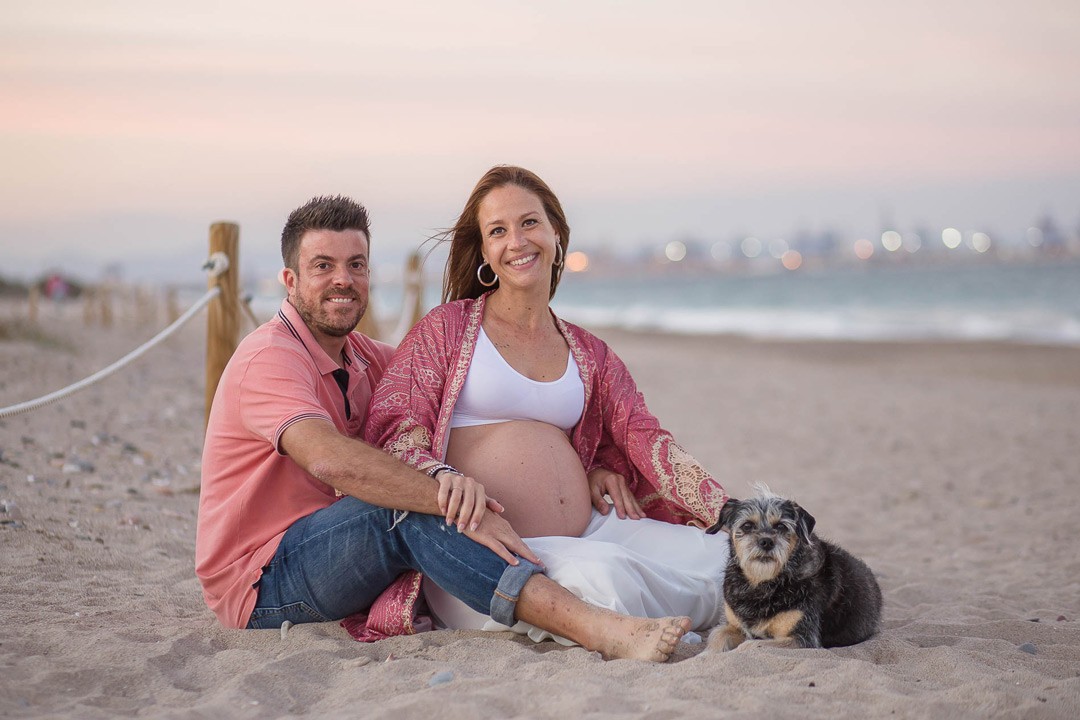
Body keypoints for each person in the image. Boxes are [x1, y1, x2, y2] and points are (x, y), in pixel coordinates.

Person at [194, 194, 693, 662]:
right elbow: (328, 458)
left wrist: (591, 462)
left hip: (333, 550)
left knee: (412, 498)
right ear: (290, 280)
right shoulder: (269, 358)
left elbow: (461, 388)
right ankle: (592, 626)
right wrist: (443, 494)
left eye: (356, 264)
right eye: (323, 266)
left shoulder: (367, 359)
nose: (343, 279)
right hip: (262, 579)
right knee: (403, 506)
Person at [364, 166, 730, 645]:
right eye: (498, 231)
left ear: (556, 232)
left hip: (591, 527)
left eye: (529, 223)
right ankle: (668, 627)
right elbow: (393, 426)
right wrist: (440, 477)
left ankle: (712, 614)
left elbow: (640, 434)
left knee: (721, 557)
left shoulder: (587, 350)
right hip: (496, 554)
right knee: (611, 581)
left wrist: (604, 469)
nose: (516, 241)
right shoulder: (447, 330)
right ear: (486, 253)